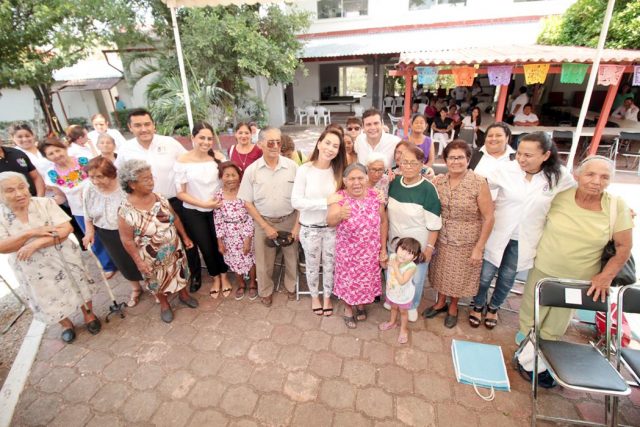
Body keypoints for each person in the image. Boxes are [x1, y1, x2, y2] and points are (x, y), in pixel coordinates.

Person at [516, 156, 633, 386]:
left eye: (604, 177)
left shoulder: (615, 206)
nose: (596, 181)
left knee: (554, 326)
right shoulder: (558, 196)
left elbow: (624, 247)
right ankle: (526, 355)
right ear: (577, 175)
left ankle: (534, 364)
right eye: (590, 174)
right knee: (530, 317)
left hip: (577, 280)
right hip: (542, 271)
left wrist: (605, 276)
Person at [471, 132, 574, 329]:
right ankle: (477, 304)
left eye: (528, 155)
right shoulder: (506, 169)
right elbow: (479, 184)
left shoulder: (559, 176)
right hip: (498, 232)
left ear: (545, 155)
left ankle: (494, 308)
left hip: (526, 238)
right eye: (519, 153)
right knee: (484, 275)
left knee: (507, 277)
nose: (521, 159)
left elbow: (578, 194)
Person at [0, 172, 101, 343]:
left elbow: (65, 229)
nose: (19, 193)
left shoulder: (44, 203)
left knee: (77, 284)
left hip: (62, 257)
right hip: (29, 267)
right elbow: (3, 246)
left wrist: (35, 244)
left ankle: (89, 316)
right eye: (10, 190)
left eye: (21, 187)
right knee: (44, 296)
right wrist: (31, 232)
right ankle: (66, 324)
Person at [116, 109, 202, 292]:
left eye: (147, 124)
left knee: (187, 240)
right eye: (138, 125)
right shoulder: (125, 150)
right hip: (144, 208)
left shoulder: (170, 143)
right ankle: (161, 284)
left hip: (175, 201)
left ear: (154, 125)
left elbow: (190, 160)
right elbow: (120, 178)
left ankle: (193, 275)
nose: (144, 129)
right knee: (153, 248)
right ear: (130, 128)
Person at [424, 141, 494, 328]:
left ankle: (453, 306)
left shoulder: (478, 182)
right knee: (440, 273)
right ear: (445, 160)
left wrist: (479, 248)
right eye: (451, 158)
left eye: (460, 157)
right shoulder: (439, 181)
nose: (456, 161)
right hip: (441, 239)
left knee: (458, 276)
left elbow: (488, 218)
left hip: (466, 241)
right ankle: (440, 303)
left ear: (468, 159)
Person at [118, 159, 198, 323]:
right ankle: (164, 304)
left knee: (179, 271)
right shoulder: (125, 211)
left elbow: (174, 218)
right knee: (155, 280)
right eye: (145, 179)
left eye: (151, 177)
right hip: (150, 255)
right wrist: (139, 261)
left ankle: (183, 294)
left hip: (173, 247)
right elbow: (126, 240)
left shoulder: (160, 198)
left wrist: (185, 236)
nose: (151, 181)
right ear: (132, 184)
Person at [238, 127, 299, 307]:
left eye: (278, 142)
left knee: (291, 257)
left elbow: (301, 198)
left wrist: (297, 226)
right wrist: (265, 227)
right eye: (270, 142)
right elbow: (247, 202)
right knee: (264, 262)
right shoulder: (252, 170)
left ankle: (291, 287)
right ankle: (265, 291)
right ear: (260, 144)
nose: (275, 146)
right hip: (263, 222)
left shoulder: (293, 167)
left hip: (289, 219)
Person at [40, 138, 117, 277]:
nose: (56, 155)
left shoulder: (84, 160)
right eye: (50, 154)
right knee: (94, 240)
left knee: (115, 234)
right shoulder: (51, 174)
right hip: (79, 211)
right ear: (46, 157)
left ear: (64, 148)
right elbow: (61, 197)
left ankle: (124, 260)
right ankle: (108, 265)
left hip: (104, 205)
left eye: (58, 150)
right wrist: (46, 205)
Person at [292, 128, 346, 316]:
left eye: (336, 146)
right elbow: (296, 202)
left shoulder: (338, 171)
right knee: (312, 265)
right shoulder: (304, 170)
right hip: (310, 229)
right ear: (319, 143)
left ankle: (327, 297)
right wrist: (325, 202)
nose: (330, 148)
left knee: (331, 265)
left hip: (332, 229)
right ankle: (315, 296)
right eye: (328, 143)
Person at [327, 163, 388, 329]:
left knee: (366, 281)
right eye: (352, 179)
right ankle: (348, 309)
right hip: (348, 254)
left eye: (360, 178)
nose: (356, 182)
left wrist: (383, 249)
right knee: (348, 282)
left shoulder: (375, 196)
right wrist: (340, 214)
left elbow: (383, 222)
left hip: (370, 252)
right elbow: (330, 221)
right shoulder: (339, 198)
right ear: (345, 181)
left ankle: (361, 305)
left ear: (366, 179)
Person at [175, 122, 230, 296]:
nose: (206, 142)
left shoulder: (219, 158)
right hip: (193, 211)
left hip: (218, 210)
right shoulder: (182, 161)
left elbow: (227, 182)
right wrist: (204, 204)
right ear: (193, 138)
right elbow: (180, 193)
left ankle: (224, 275)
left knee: (220, 243)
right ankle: (214, 277)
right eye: (202, 138)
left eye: (209, 138)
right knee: (206, 247)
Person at [387, 144, 442, 322]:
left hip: (417, 245)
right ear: (399, 163)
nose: (408, 166)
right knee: (394, 274)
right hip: (395, 242)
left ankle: (412, 305)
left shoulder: (428, 189)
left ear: (422, 164)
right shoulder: (393, 183)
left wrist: (429, 249)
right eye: (404, 162)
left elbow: (434, 225)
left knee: (415, 278)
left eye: (413, 163)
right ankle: (394, 300)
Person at [82, 157, 144, 307]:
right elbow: (87, 213)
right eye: (92, 177)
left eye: (100, 176)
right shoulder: (89, 188)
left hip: (132, 231)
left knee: (142, 258)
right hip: (107, 232)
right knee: (122, 261)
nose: (96, 181)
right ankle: (136, 288)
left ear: (112, 174)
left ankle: (154, 286)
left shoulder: (125, 186)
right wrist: (89, 232)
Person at [213, 162, 257, 300]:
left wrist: (248, 239)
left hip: (246, 232)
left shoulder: (245, 192)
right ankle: (241, 283)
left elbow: (251, 216)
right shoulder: (218, 195)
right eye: (227, 175)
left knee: (250, 258)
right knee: (234, 259)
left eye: (234, 174)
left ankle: (252, 283)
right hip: (229, 236)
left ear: (239, 176)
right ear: (221, 177)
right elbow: (217, 219)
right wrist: (220, 241)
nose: (231, 178)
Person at [379, 237, 424, 344]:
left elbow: (402, 281)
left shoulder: (411, 267)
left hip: (404, 295)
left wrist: (395, 266)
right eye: (402, 249)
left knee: (403, 312)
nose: (404, 254)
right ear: (397, 248)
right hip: (392, 292)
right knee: (393, 307)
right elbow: (386, 267)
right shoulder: (393, 256)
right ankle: (392, 322)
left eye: (409, 253)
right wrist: (383, 261)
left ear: (414, 257)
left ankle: (404, 329)